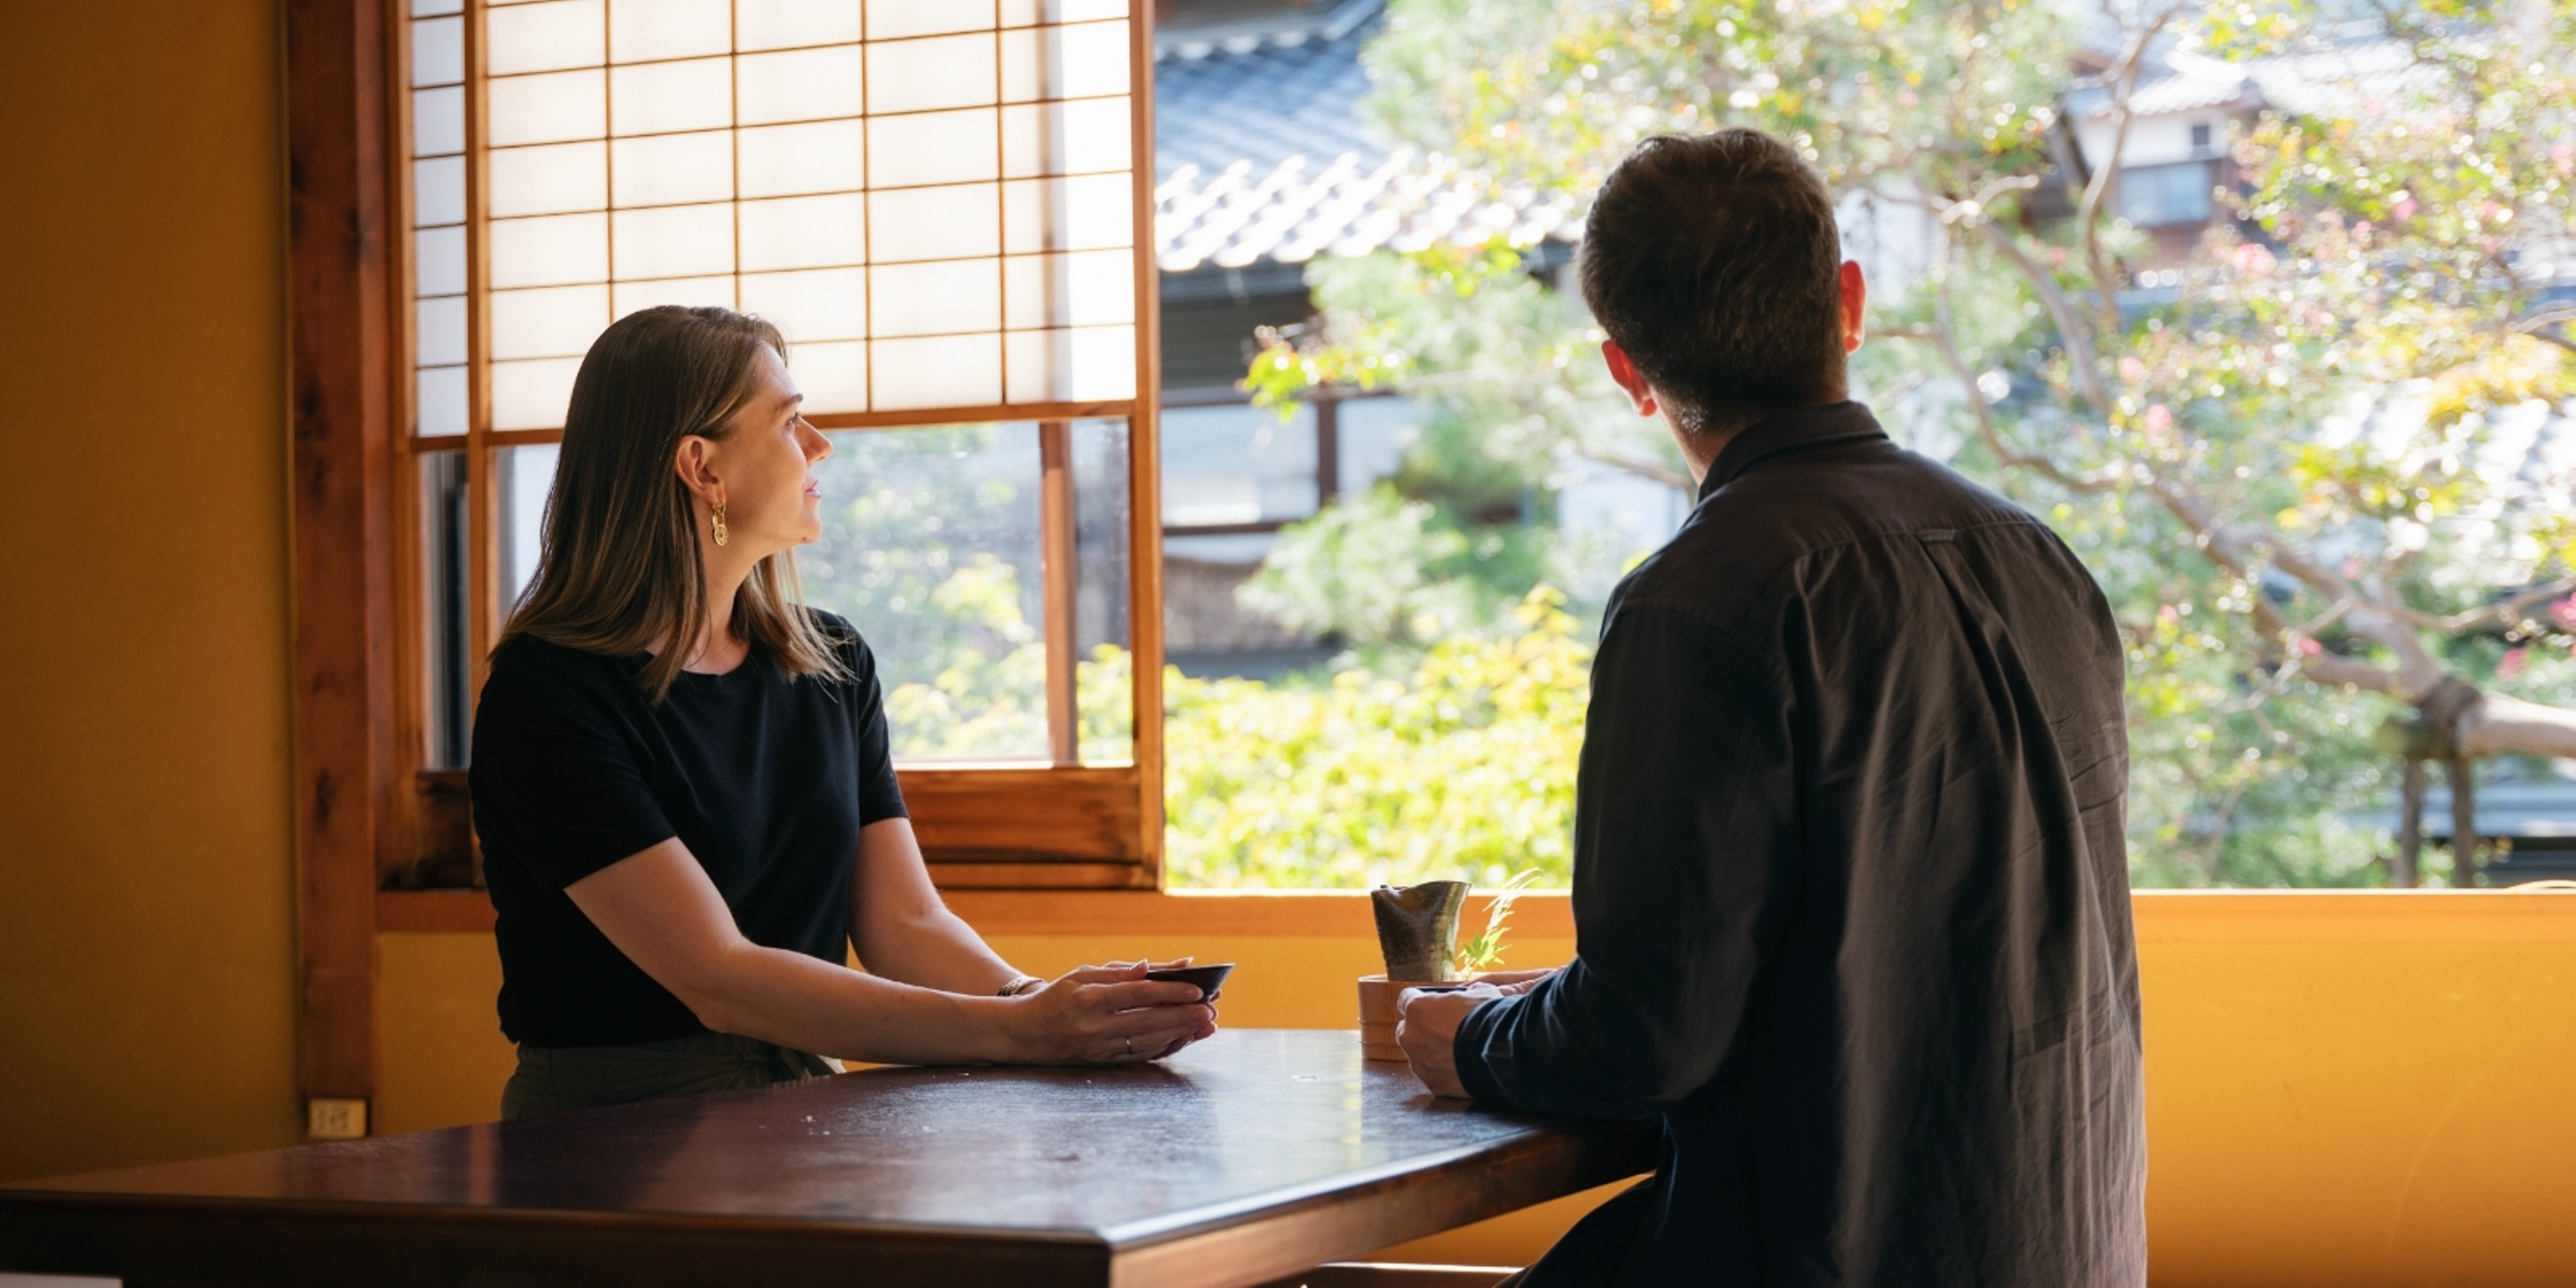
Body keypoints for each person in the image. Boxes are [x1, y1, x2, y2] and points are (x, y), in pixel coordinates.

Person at [1395, 129, 2145, 1284]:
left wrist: (1477, 1040)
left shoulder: (1704, 600)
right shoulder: (2038, 558)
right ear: (1848, 305)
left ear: (1627, 373)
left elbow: (1652, 1036)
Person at [470, 306, 1216, 1120]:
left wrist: (1044, 1001)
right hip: (613, 1127)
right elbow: (720, 978)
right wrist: (1025, 1032)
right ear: (702, 468)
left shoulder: (828, 663)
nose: (820, 445)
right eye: (791, 422)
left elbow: (904, 921)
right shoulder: (551, 694)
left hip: (809, 1106)